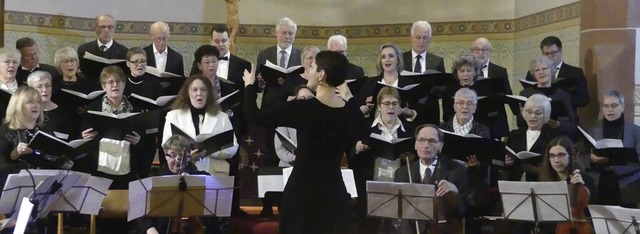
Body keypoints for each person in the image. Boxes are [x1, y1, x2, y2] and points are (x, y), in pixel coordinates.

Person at [243, 51, 366, 233]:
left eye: (313, 67)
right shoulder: (349, 113)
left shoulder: (304, 109)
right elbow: (365, 131)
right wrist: (350, 98)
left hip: (302, 191)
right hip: (334, 192)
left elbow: (254, 116)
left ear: (322, 75)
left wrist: (249, 86)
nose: (308, 71)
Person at [351, 86, 415, 233]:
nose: (390, 107)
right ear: (379, 106)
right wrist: (357, 149)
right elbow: (352, 157)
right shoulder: (366, 129)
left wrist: (411, 158)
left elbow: (417, 160)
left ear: (399, 107)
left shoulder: (408, 130)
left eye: (394, 103)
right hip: (372, 187)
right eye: (386, 103)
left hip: (399, 188)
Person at [137, 135, 220, 234]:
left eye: (182, 155)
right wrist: (152, 231)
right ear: (165, 156)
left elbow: (212, 216)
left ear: (189, 156)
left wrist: (193, 181)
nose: (178, 159)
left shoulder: (204, 178)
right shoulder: (153, 180)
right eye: (172, 155)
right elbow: (141, 214)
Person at [393, 124, 468, 233]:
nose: (426, 145)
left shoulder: (457, 171)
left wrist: (454, 192)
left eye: (431, 141)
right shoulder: (402, 173)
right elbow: (396, 211)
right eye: (421, 140)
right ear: (415, 144)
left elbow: (462, 212)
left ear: (440, 146)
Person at [514, 135, 595, 233]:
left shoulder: (586, 179)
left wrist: (583, 187)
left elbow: (593, 211)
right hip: (550, 227)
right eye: (552, 156)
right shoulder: (546, 179)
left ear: (571, 156)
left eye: (561, 155)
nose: (556, 160)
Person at [162, 75, 238, 176]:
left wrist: (211, 151)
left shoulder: (222, 117)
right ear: (187, 93)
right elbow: (166, 145)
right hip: (184, 172)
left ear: (208, 94)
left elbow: (233, 147)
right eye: (194, 90)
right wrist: (188, 155)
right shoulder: (174, 116)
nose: (199, 94)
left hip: (215, 173)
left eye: (203, 90)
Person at [589, 90, 640, 206]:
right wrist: (591, 159)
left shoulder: (635, 131)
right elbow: (582, 155)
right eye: (606, 106)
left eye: (614, 105)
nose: (609, 110)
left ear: (622, 107)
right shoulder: (593, 128)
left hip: (627, 184)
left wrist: (613, 164)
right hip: (600, 183)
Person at [525, 36, 589, 121]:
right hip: (539, 119)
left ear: (560, 51)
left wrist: (560, 102)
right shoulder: (533, 75)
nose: (550, 56)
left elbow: (583, 99)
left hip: (566, 119)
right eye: (546, 54)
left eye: (553, 53)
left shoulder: (574, 72)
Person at [504, 94, 560, 182]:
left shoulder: (553, 138)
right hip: (515, 183)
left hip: (541, 183)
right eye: (529, 112)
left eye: (537, 113)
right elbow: (504, 164)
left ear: (545, 115)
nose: (533, 116)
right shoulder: (514, 135)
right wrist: (506, 162)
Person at [356, 43, 417, 123]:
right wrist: (367, 107)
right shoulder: (369, 83)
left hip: (401, 129)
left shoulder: (408, 83)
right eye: (383, 57)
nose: (387, 59)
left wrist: (405, 111)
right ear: (380, 61)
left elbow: (416, 113)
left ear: (398, 60)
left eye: (391, 56)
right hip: (375, 129)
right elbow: (357, 112)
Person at [519, 56, 577, 138]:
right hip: (532, 136)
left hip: (555, 137)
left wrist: (558, 124)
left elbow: (572, 125)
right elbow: (519, 123)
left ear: (552, 71)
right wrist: (524, 115)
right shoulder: (525, 94)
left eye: (544, 69)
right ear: (534, 74)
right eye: (537, 70)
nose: (541, 72)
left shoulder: (562, 95)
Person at [402, 21, 445, 125]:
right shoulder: (401, 59)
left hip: (430, 111)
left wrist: (435, 90)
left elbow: (443, 88)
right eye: (418, 37)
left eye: (425, 38)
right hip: (406, 109)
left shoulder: (437, 61)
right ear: (411, 38)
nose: (421, 41)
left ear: (430, 40)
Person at [471, 37, 514, 139]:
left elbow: (508, 95)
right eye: (477, 50)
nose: (480, 53)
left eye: (484, 49)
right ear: (472, 52)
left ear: (489, 51)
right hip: (474, 119)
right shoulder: (466, 72)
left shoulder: (499, 71)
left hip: (494, 120)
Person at [26, 71, 77, 140]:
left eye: (47, 86)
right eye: (39, 86)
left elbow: (71, 137)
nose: (44, 90)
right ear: (31, 90)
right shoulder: (26, 112)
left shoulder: (63, 113)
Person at [273, 85, 315, 167]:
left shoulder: (322, 119)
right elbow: (279, 148)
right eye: (302, 98)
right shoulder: (286, 119)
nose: (306, 101)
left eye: (310, 98)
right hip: (288, 166)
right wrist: (294, 158)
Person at [77, 14, 128, 80]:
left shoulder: (124, 52)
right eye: (103, 27)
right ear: (95, 29)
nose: (106, 30)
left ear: (114, 29)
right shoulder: (84, 49)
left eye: (110, 27)